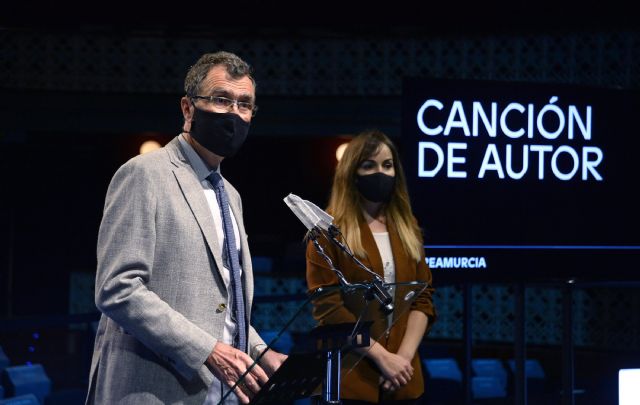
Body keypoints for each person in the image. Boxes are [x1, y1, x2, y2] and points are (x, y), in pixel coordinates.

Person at [86, 51, 286, 405]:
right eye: (221, 100)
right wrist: (207, 350)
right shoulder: (145, 174)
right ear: (188, 108)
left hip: (218, 394)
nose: (234, 114)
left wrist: (259, 350)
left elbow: (222, 304)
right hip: (150, 390)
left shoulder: (231, 196)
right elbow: (117, 289)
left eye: (244, 105)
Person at [305, 129, 437, 404]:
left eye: (387, 165)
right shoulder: (326, 232)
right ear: (352, 172)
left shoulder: (407, 228)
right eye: (369, 165)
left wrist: (400, 360)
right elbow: (329, 309)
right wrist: (383, 358)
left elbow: (422, 299)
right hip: (349, 381)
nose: (380, 173)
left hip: (404, 379)